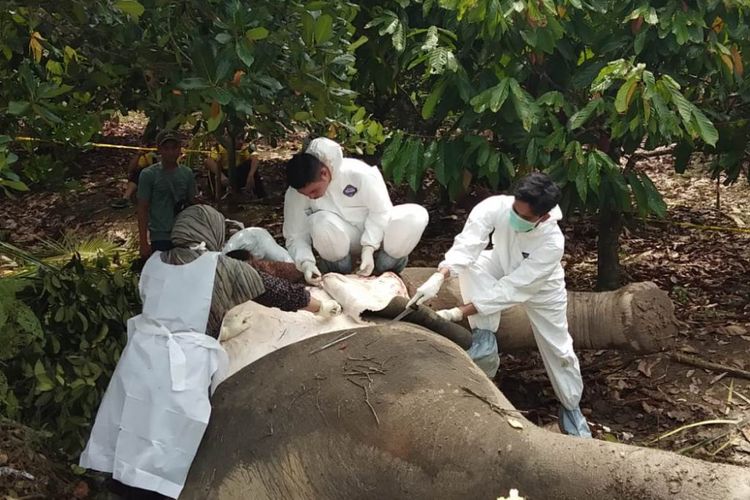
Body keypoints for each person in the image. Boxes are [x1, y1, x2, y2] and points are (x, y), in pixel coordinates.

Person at [79, 205, 341, 499]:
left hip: (142, 354)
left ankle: (120, 484)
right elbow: (274, 291)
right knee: (169, 434)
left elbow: (161, 304)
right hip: (183, 360)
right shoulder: (219, 266)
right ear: (212, 233)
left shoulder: (154, 262)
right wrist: (319, 305)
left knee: (134, 419)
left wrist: (220, 328)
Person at [407, 172, 592, 438]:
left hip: (541, 287)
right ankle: (484, 338)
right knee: (473, 263)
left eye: (525, 218)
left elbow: (512, 289)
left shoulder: (552, 243)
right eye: (516, 210)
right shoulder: (496, 207)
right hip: (500, 261)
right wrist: (442, 274)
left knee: (558, 347)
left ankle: (571, 407)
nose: (517, 218)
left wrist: (459, 311)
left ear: (545, 216)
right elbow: (469, 244)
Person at [283, 137, 429, 285]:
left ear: (324, 173)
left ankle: (386, 272)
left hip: (379, 233)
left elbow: (381, 211)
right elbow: (295, 234)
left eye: (314, 191)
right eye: (306, 195)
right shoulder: (295, 193)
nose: (311, 197)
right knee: (320, 222)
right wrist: (306, 263)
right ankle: (340, 276)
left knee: (415, 216)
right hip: (341, 239)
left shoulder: (359, 173)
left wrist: (369, 248)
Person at [137, 130, 197, 259]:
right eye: (166, 148)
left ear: (180, 148)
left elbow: (193, 202)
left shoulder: (187, 174)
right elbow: (142, 208)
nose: (171, 152)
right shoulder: (148, 175)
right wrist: (143, 241)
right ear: (159, 149)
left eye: (174, 148)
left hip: (183, 233)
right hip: (160, 235)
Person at [111, 144, 158, 209]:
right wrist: (138, 155)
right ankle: (125, 198)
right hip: (152, 179)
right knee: (139, 173)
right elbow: (131, 169)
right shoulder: (150, 156)